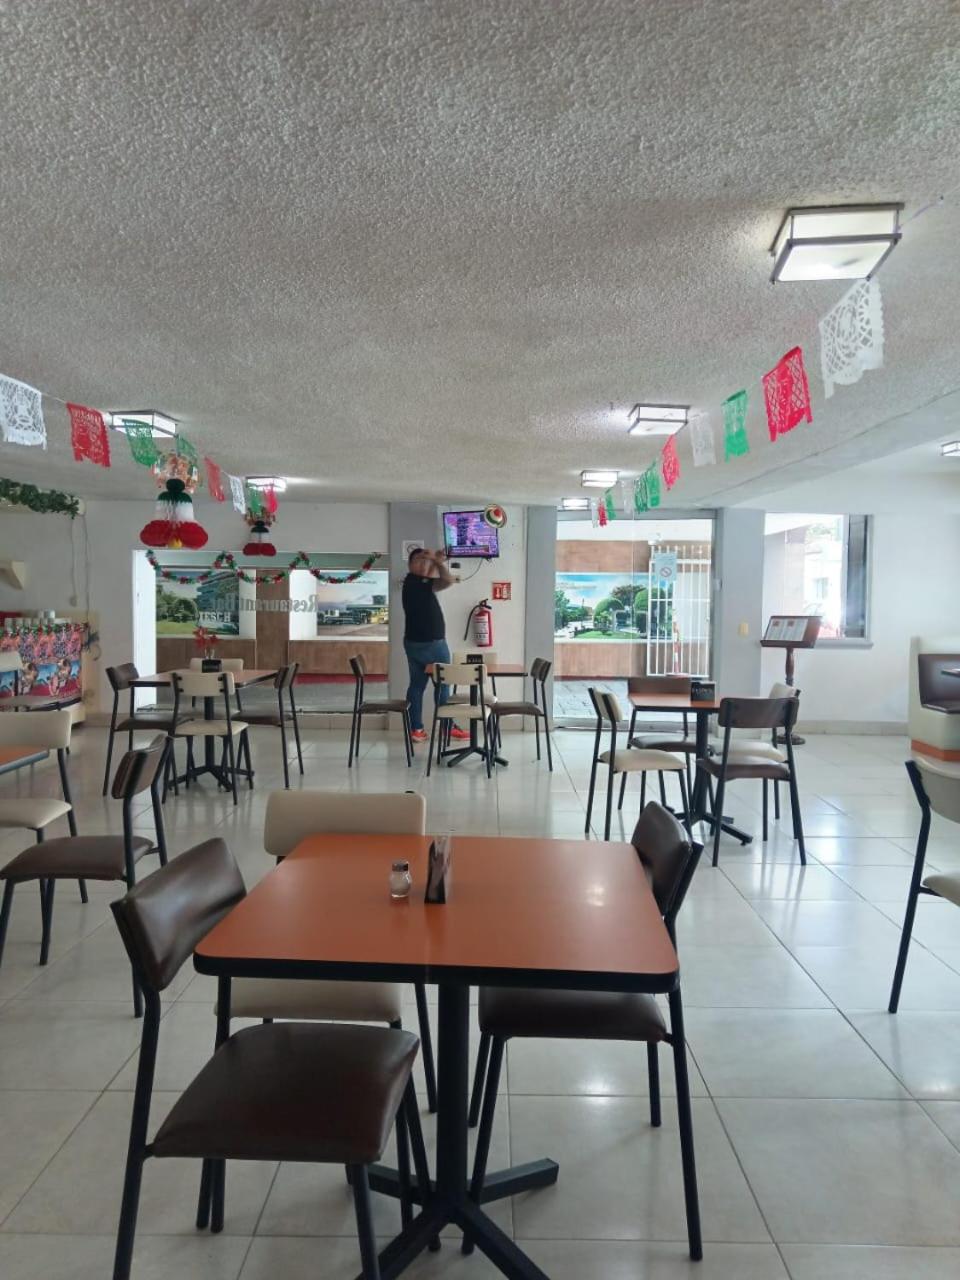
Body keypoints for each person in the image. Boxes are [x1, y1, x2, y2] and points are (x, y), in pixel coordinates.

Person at [402, 547, 469, 744]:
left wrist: (436, 560)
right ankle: (447, 728)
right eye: (420, 560)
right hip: (432, 643)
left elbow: (432, 578)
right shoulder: (415, 581)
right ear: (410, 565)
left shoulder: (415, 582)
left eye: (426, 561)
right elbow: (447, 581)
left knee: (417, 685)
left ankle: (416, 729)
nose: (424, 564)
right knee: (443, 684)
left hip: (414, 643)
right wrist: (437, 562)